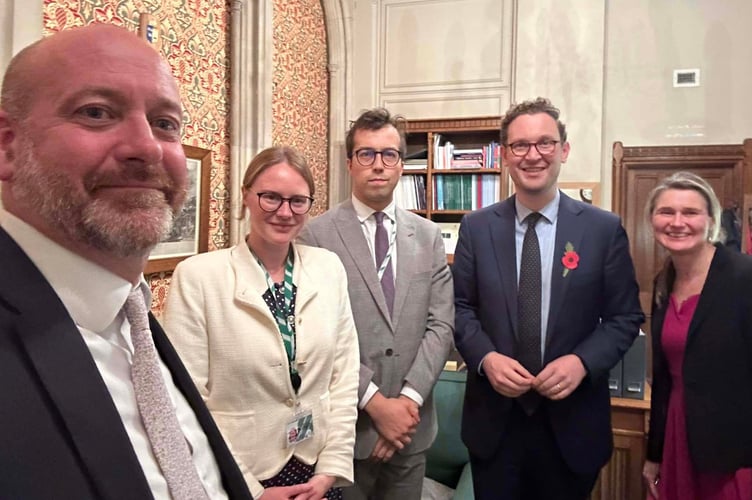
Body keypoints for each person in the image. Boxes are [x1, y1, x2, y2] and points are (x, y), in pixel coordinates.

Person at [0, 24, 251, 499]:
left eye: (165, 124)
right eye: (96, 113)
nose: (147, 148)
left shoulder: (132, 316)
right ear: (8, 145)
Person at [451, 97, 644, 500]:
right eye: (520, 145)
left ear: (564, 150)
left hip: (572, 426)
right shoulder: (477, 228)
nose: (532, 155)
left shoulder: (602, 229)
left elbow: (625, 317)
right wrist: (486, 358)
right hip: (496, 428)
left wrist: (582, 361)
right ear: (505, 155)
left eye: (545, 143)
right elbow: (460, 309)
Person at [163, 146, 360, 500]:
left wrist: (332, 466)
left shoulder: (328, 268)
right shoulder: (199, 277)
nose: (285, 212)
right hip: (243, 474)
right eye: (271, 197)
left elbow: (344, 377)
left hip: (317, 469)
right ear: (246, 197)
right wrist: (250, 491)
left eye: (298, 201)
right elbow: (187, 400)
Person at [297, 108, 454, 500]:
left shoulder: (429, 236)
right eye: (366, 154)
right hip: (345, 433)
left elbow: (441, 326)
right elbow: (316, 333)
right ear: (350, 163)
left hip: (411, 430)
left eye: (389, 155)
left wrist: (405, 405)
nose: (378, 165)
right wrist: (377, 406)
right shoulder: (316, 236)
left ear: (402, 164)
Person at [641, 172, 752, 500]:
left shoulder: (743, 278)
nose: (677, 222)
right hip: (678, 434)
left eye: (690, 212)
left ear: (711, 220)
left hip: (733, 451)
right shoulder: (664, 281)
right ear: (652, 220)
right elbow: (663, 380)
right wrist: (654, 454)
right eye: (666, 212)